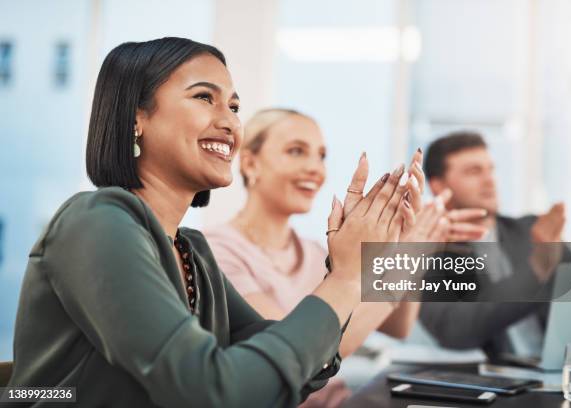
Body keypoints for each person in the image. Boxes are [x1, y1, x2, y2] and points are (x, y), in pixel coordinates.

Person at [7, 38, 418, 408]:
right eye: (205, 97)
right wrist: (347, 278)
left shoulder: (193, 251)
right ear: (136, 118)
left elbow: (298, 366)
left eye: (234, 107)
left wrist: (367, 264)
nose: (231, 123)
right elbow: (216, 391)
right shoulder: (95, 224)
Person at [204, 109, 488, 406]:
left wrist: (411, 250)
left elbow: (399, 326)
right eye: (296, 151)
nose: (315, 168)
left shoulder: (316, 251)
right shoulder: (219, 251)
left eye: (321, 156)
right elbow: (299, 353)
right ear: (249, 162)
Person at [419, 131, 571, 359]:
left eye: (491, 170)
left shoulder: (532, 231)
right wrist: (536, 270)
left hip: (558, 375)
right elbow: (454, 330)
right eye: (474, 171)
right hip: (483, 384)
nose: (489, 180)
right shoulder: (428, 252)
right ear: (439, 186)